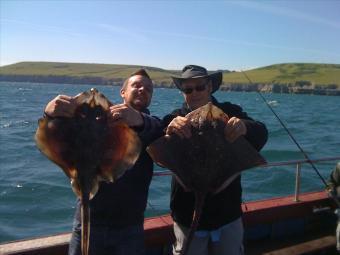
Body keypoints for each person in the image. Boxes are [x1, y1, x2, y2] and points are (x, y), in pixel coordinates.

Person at [43, 69, 162, 255]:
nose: (142, 89)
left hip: (129, 227)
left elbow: (157, 130)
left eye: (148, 88)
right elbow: (54, 133)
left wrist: (138, 120)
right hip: (89, 218)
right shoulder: (105, 120)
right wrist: (50, 113)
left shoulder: (151, 125)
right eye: (136, 85)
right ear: (123, 92)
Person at [162, 65, 268, 255]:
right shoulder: (176, 117)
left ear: (210, 86)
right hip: (187, 214)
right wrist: (168, 130)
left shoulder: (230, 111)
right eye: (188, 89)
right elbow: (156, 139)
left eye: (200, 87)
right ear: (183, 93)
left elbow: (261, 133)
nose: (194, 93)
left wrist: (244, 127)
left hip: (227, 213)